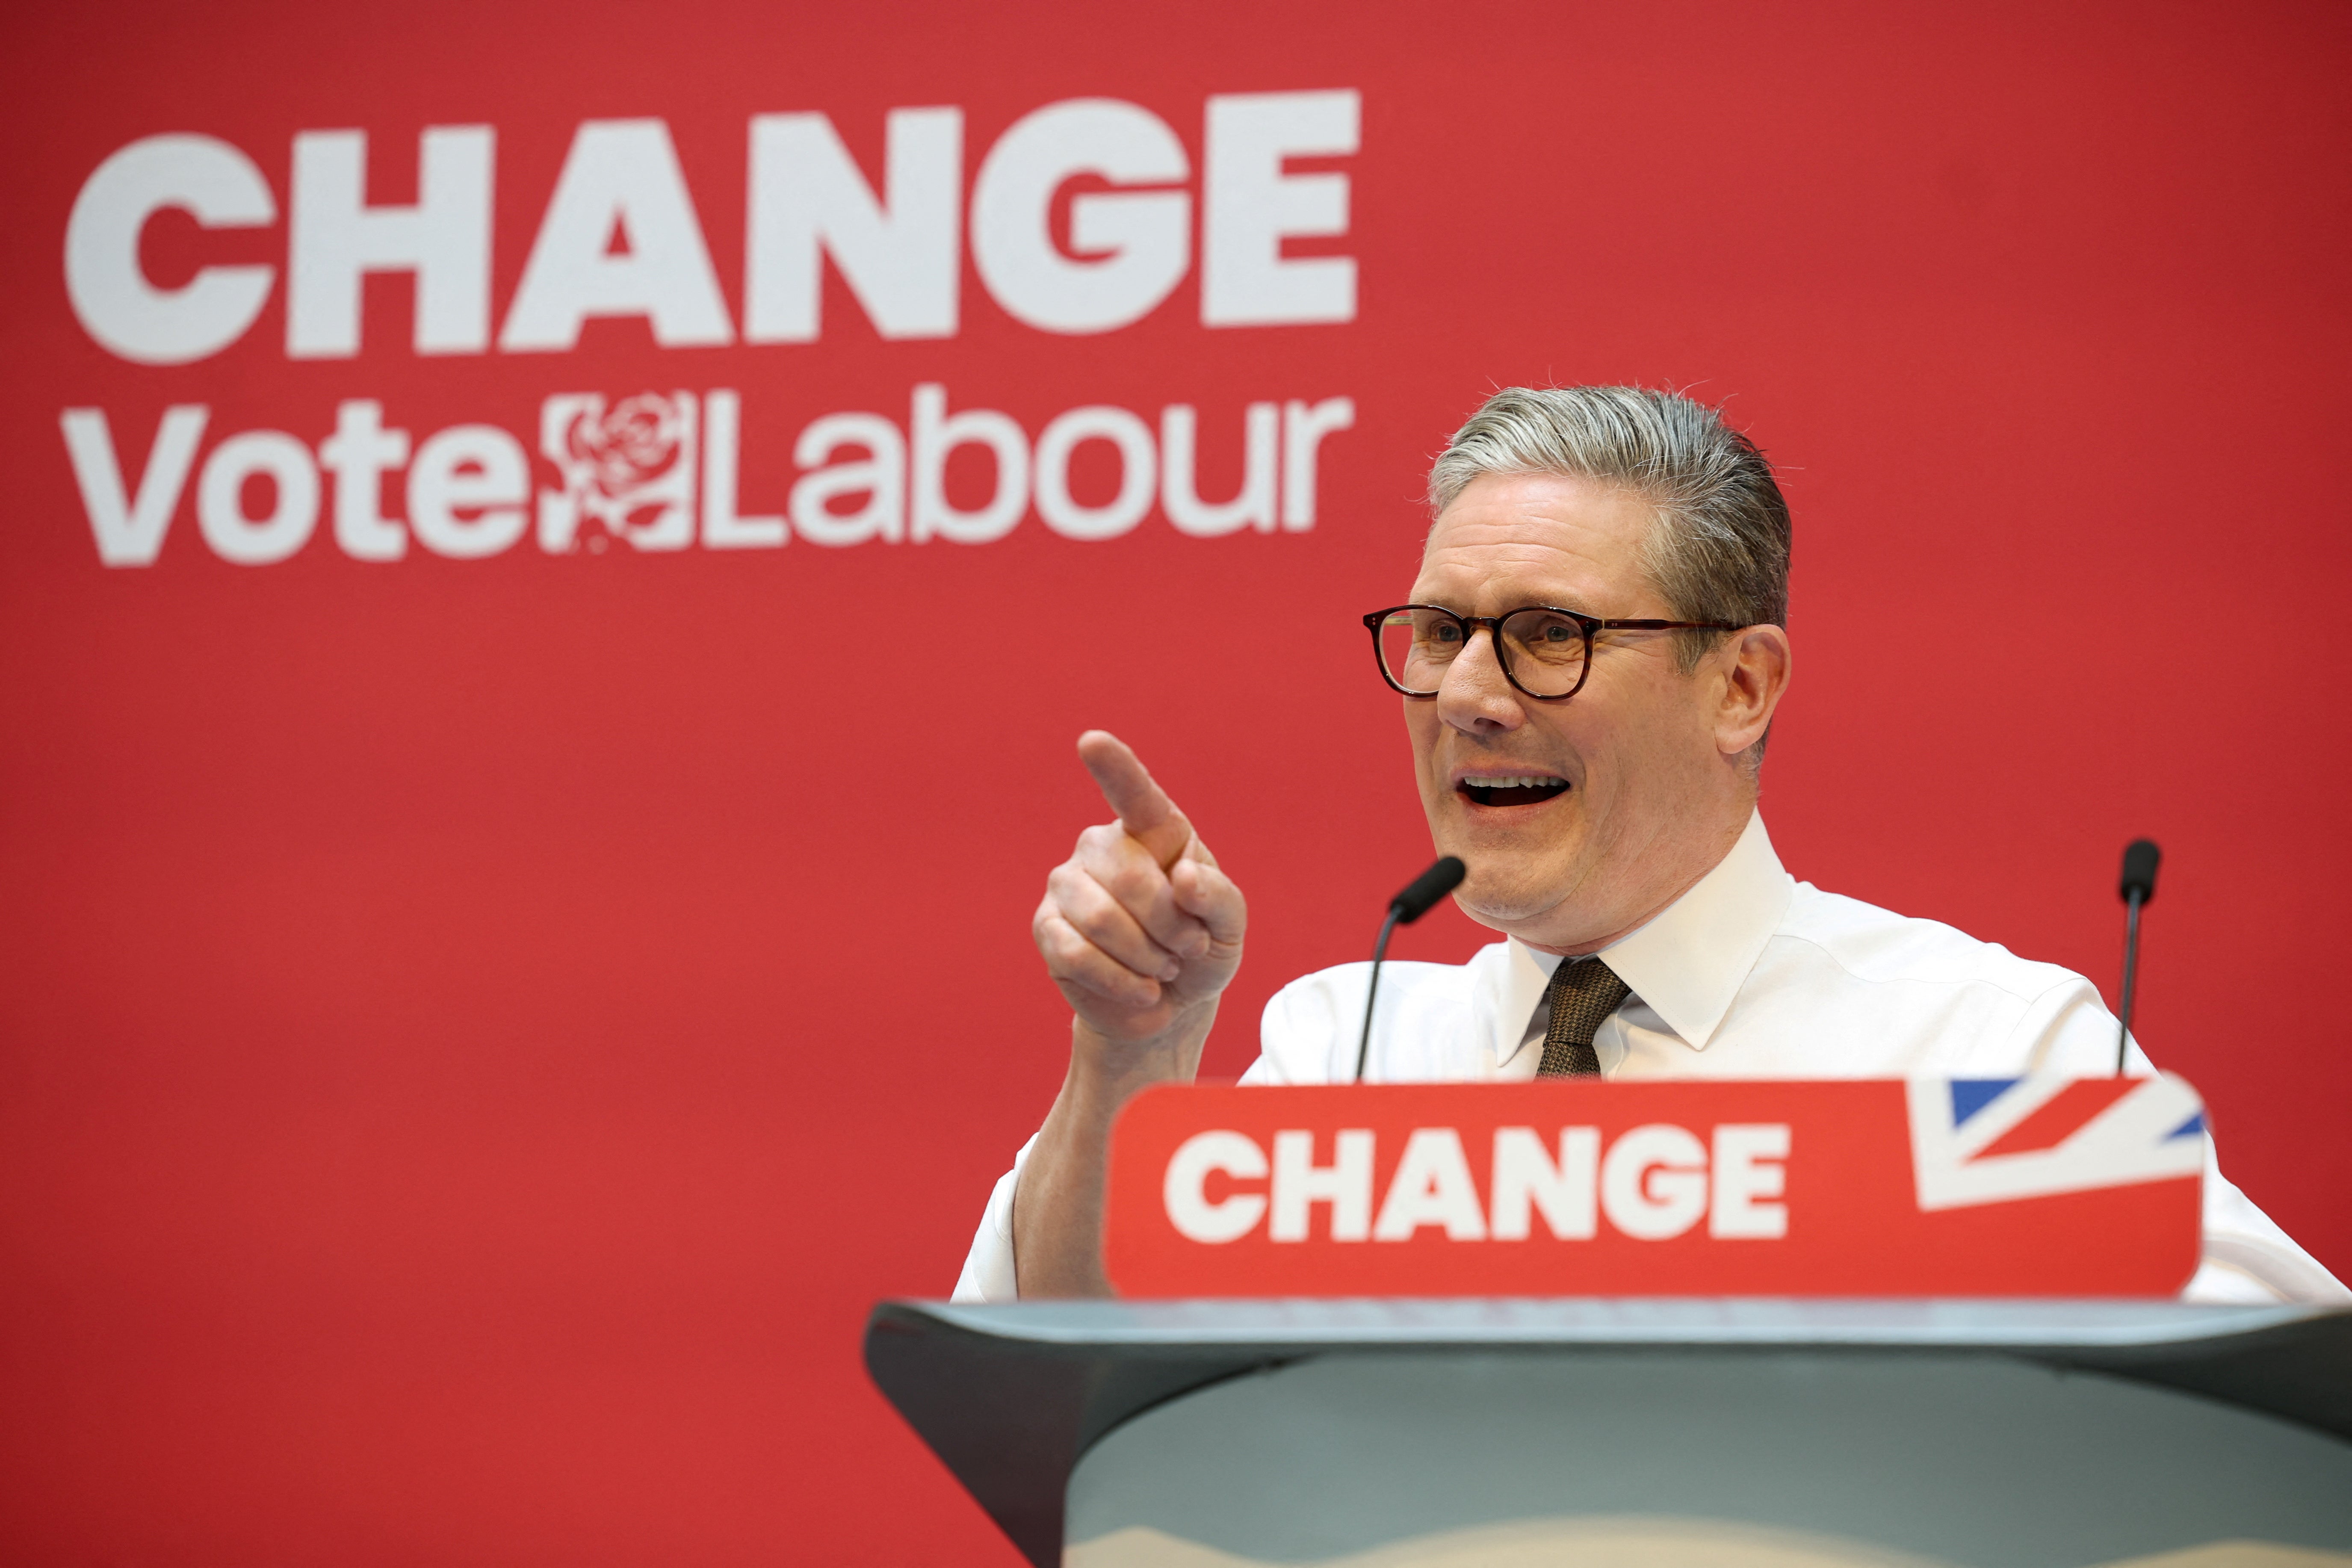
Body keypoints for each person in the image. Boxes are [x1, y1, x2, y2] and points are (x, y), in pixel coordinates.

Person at [955, 385, 2344, 1305]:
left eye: (1550, 634)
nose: (1466, 693)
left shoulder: (1980, 1043)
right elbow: (1079, 1373)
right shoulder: (1344, 1053)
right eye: (1439, 632)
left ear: (1739, 686)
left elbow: (2279, 1420)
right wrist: (1134, 1044)